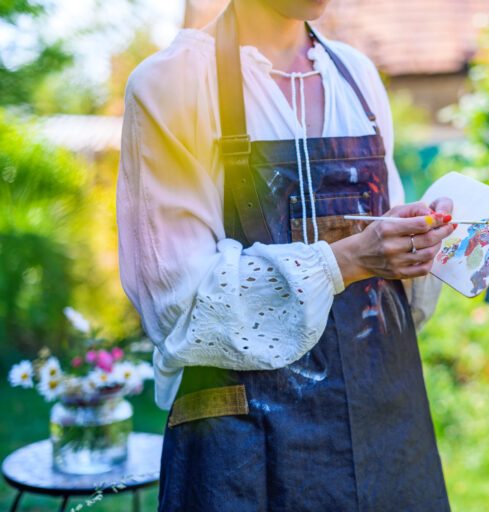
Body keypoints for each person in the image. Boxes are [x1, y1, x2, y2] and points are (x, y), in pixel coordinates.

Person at [117, 0, 456, 510]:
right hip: (246, 453)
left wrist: (419, 238)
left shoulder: (357, 77)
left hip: (386, 425)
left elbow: (397, 289)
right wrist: (349, 260)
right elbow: (181, 309)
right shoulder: (173, 83)